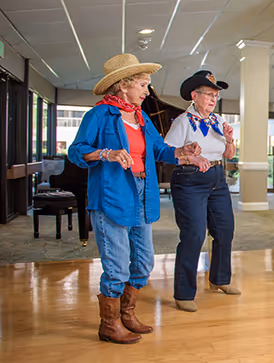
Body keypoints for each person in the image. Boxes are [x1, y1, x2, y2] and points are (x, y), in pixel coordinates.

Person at [68, 53, 208, 344]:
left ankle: (127, 314)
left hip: (143, 194)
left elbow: (159, 149)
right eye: (143, 84)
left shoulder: (141, 115)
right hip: (111, 196)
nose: (147, 91)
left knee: (143, 262)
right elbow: (76, 151)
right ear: (122, 85)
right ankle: (109, 324)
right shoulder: (99, 115)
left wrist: (184, 152)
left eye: (147, 85)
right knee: (117, 265)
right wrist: (105, 153)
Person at [164, 70, 239, 312]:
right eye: (209, 94)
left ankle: (220, 279)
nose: (213, 99)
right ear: (194, 95)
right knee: (194, 235)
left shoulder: (217, 121)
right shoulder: (182, 121)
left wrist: (229, 139)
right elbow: (167, 154)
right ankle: (183, 293)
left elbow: (229, 155)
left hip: (217, 178)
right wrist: (190, 157)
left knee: (225, 231)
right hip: (190, 181)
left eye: (216, 95)